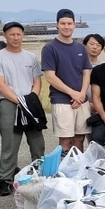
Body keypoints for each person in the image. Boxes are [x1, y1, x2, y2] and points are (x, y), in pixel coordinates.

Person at [0, 22, 45, 196]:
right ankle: (5, 179)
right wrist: (18, 101)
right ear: (5, 36)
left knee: (37, 141)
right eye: (12, 34)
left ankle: (41, 174)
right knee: (10, 143)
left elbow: (37, 81)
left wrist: (32, 99)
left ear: (23, 35)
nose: (15, 37)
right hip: (9, 102)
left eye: (18, 34)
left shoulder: (30, 57)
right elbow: (0, 84)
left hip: (30, 101)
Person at [41, 9, 92, 152]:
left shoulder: (80, 47)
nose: (66, 26)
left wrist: (81, 95)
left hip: (82, 100)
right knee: (65, 140)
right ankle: (65, 170)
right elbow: (50, 77)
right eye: (63, 23)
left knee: (80, 138)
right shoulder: (50, 48)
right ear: (57, 25)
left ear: (74, 25)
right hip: (62, 101)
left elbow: (86, 73)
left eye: (69, 23)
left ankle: (78, 169)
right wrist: (73, 94)